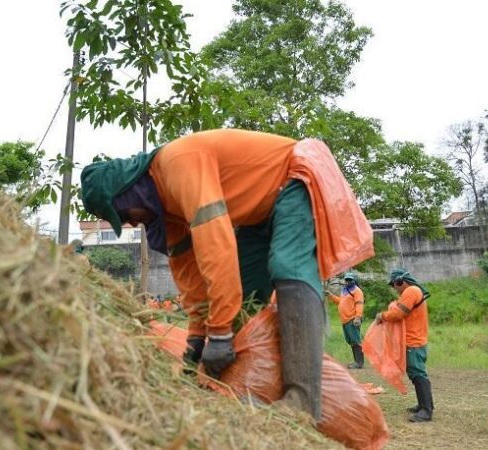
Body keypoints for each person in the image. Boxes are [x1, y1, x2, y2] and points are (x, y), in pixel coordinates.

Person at [79, 129, 373, 421]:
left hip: (295, 178)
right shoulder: (165, 210)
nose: (130, 223)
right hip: (257, 213)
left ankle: (303, 399)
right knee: (243, 297)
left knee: (288, 266)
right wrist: (197, 338)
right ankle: (257, 386)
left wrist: (219, 334)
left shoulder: (178, 163)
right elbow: (190, 276)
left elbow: (216, 246)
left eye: (124, 214)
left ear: (128, 191)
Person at [375, 269, 434, 422]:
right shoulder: (412, 292)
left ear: (401, 281)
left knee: (418, 374)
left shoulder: (412, 291)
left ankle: (426, 410)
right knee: (415, 374)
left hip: (413, 341)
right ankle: (422, 405)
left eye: (394, 284)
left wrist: (383, 315)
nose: (394, 288)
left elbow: (398, 314)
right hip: (412, 340)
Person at [326, 272, 365, 369]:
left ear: (354, 280)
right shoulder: (345, 290)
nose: (347, 281)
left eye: (350, 279)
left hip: (352, 319)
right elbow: (340, 302)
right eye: (346, 279)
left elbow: (359, 304)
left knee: (356, 340)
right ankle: (356, 361)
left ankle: (359, 362)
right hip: (345, 320)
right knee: (351, 341)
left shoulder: (357, 291)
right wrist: (330, 295)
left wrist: (358, 317)